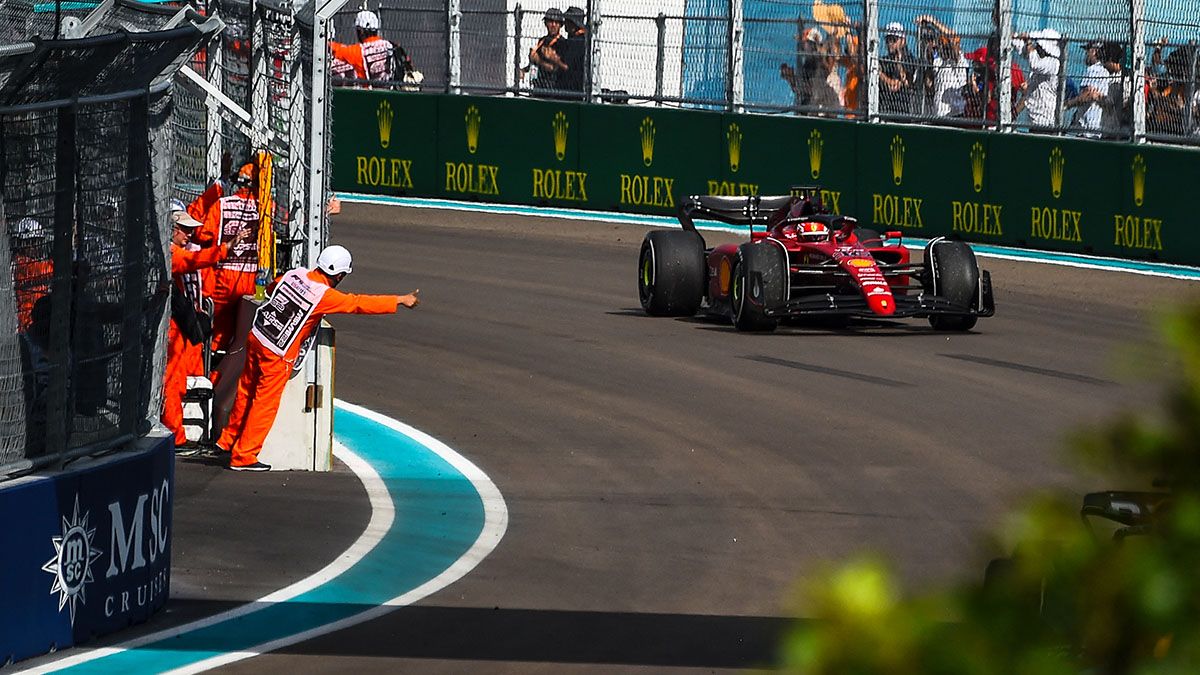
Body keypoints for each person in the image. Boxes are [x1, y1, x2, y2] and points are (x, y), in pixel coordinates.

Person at [216, 245, 420, 471]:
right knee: (264, 404)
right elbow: (357, 303)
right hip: (277, 351)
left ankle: (227, 441)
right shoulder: (324, 295)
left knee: (246, 391)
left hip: (257, 336)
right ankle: (243, 456)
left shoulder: (295, 274)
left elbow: (274, 287)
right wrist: (399, 300)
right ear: (340, 275)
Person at [162, 201, 253, 447]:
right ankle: (175, 437)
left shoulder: (169, 251)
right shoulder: (168, 253)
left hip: (176, 327)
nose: (189, 234)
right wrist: (226, 249)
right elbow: (194, 261)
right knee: (172, 382)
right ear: (171, 229)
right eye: (184, 228)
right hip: (168, 330)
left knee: (178, 381)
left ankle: (177, 434)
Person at [202, 162, 260, 355]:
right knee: (244, 322)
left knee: (217, 325)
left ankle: (212, 358)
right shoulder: (265, 208)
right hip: (251, 273)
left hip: (224, 273)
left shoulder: (222, 204)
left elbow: (204, 235)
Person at [915, 15, 970, 118]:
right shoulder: (939, 62)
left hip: (955, 114)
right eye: (942, 45)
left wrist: (933, 21)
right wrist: (924, 29)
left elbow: (952, 37)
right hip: (938, 115)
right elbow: (929, 85)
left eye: (945, 46)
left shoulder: (959, 61)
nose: (943, 48)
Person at [330, 9, 400, 87]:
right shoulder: (390, 45)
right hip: (391, 91)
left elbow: (339, 50)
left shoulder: (359, 51)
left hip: (370, 95)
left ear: (361, 31)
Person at [1014, 29, 1062, 129]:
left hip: (1046, 123)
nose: (1036, 47)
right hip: (1034, 121)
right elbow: (1024, 51)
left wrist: (1029, 42)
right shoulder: (1039, 57)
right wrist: (1013, 37)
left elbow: (1035, 64)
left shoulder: (1054, 64)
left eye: (1039, 46)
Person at [527, 8, 568, 94]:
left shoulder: (563, 43)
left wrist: (538, 60)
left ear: (560, 25)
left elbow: (554, 68)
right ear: (546, 23)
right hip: (539, 85)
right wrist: (524, 70)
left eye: (556, 22)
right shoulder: (542, 40)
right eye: (550, 22)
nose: (553, 25)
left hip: (553, 87)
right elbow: (535, 60)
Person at [879, 22, 916, 115]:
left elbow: (904, 83)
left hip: (902, 111)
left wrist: (898, 63)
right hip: (884, 109)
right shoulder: (885, 61)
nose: (890, 43)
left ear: (902, 41)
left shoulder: (909, 60)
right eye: (888, 40)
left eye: (894, 40)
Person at [556, 6, 589, 98]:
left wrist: (554, 59)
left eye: (568, 21)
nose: (565, 23)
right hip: (568, 87)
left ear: (574, 23)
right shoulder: (573, 39)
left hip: (573, 89)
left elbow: (566, 65)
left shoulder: (578, 41)